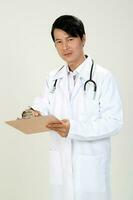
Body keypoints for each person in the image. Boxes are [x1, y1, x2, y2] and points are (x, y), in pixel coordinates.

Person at [23, 15, 123, 200]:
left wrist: (74, 129)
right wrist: (34, 112)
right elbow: (43, 104)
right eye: (59, 42)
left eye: (70, 39)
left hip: (90, 170)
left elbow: (114, 122)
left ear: (83, 39)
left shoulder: (103, 77)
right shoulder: (53, 78)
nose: (65, 47)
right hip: (61, 167)